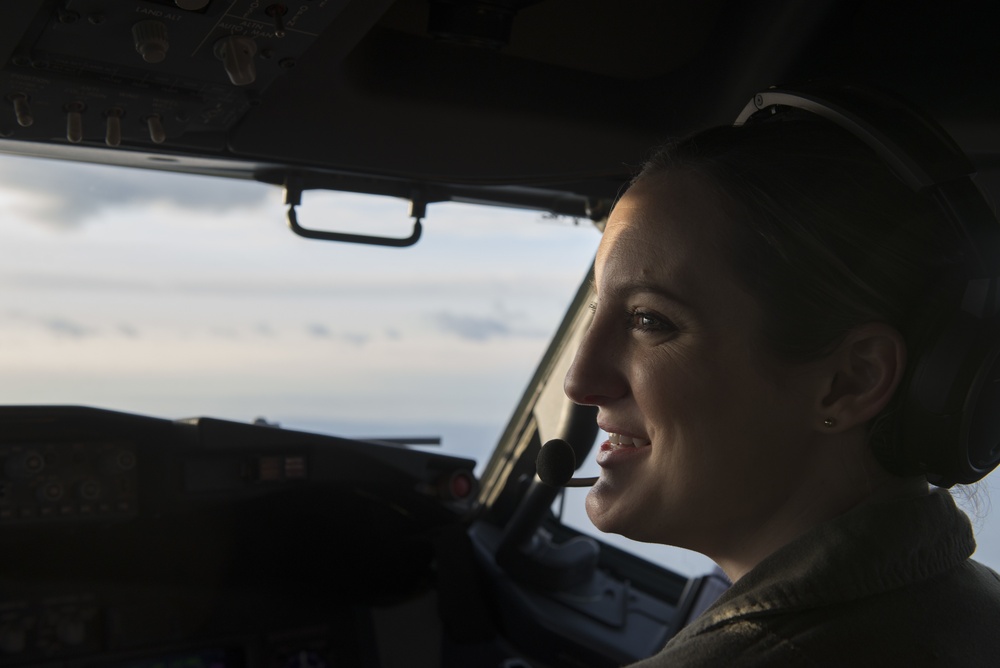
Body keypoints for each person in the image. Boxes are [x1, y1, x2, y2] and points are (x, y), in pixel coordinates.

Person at [562, 100, 1000, 665]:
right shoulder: (972, 607)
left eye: (650, 321)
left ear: (851, 380)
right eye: (598, 308)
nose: (580, 380)